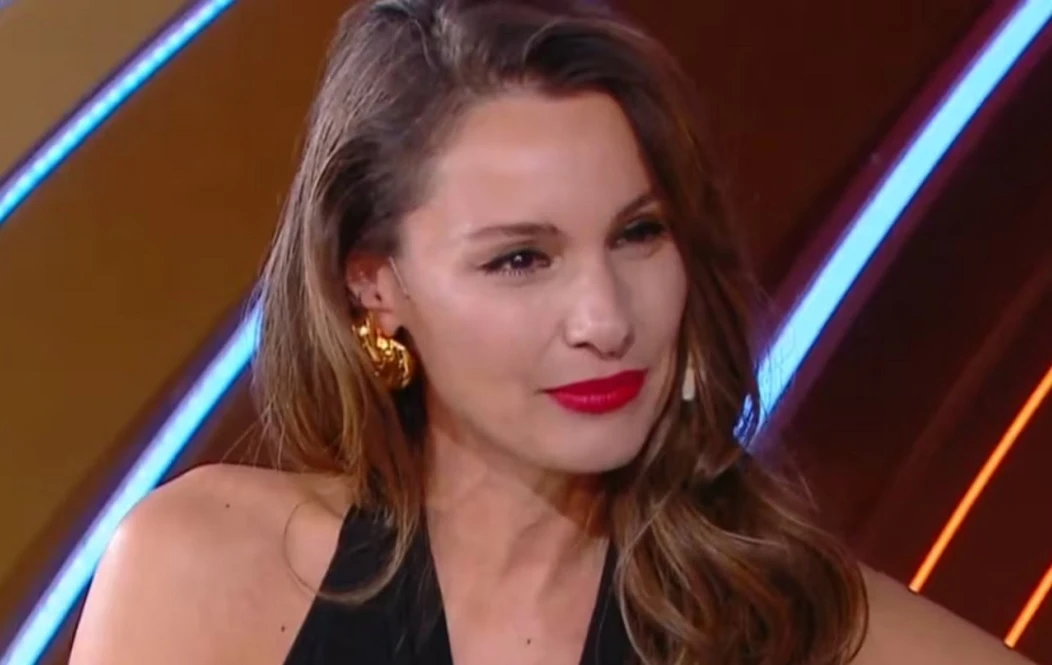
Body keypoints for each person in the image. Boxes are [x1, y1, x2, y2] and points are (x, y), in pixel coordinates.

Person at [68, 0, 1036, 663]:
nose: (605, 319)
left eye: (638, 234)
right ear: (375, 283)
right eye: (521, 258)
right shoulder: (202, 571)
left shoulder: (795, 624)